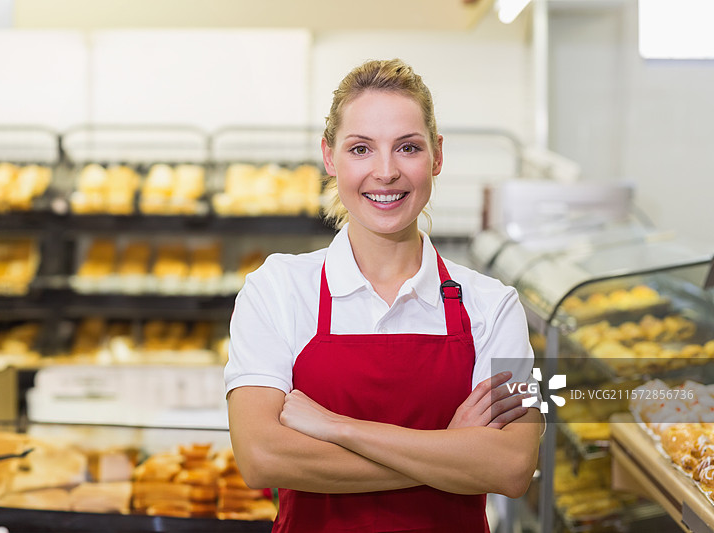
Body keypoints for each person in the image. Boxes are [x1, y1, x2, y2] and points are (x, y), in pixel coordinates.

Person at [225, 58, 542, 533]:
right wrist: (447, 452)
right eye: (361, 149)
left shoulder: (497, 306)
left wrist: (338, 429)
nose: (386, 171)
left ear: (436, 155)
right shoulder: (273, 289)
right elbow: (260, 456)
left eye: (408, 148)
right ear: (330, 157)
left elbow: (513, 466)